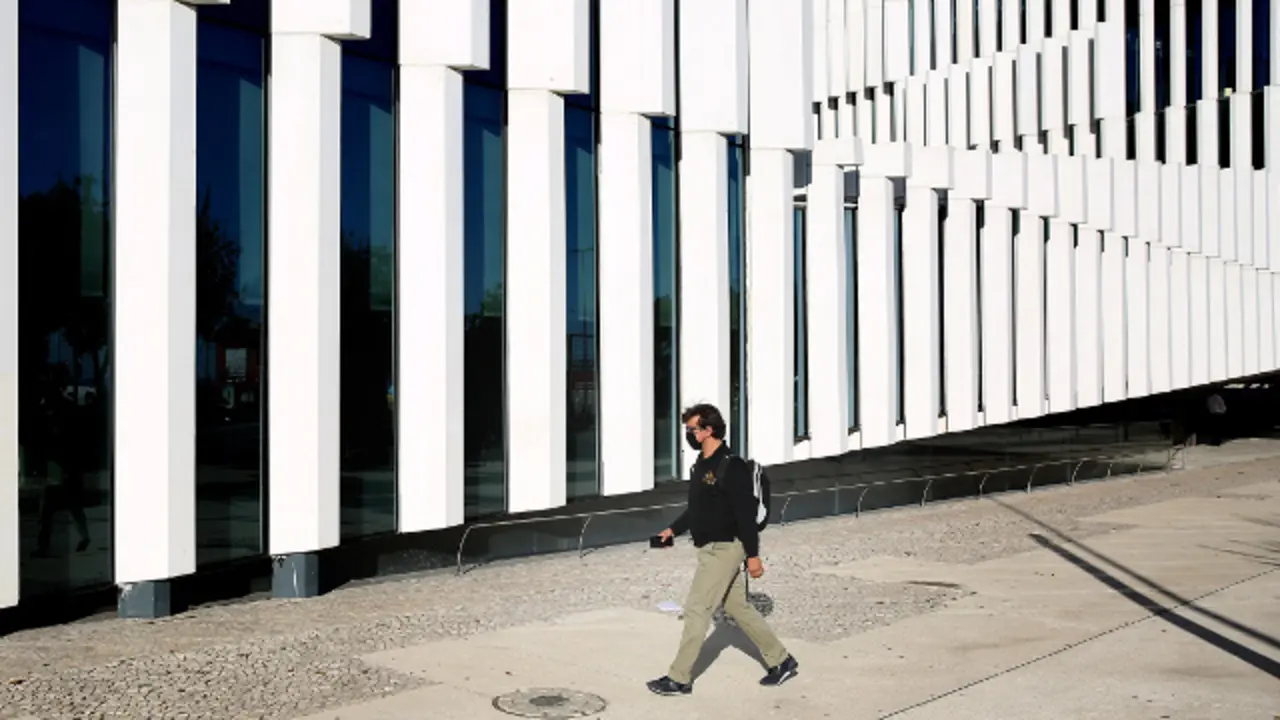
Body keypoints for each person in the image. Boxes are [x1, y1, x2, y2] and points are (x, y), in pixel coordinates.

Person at [646, 403, 798, 696]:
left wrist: (753, 556)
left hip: (724, 549)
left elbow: (744, 515)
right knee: (737, 607)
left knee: (696, 609)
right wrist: (673, 530)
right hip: (708, 547)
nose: (688, 434)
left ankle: (679, 678)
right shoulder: (700, 465)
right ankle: (782, 661)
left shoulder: (731, 465)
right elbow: (696, 509)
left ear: (708, 430)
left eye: (692, 429)